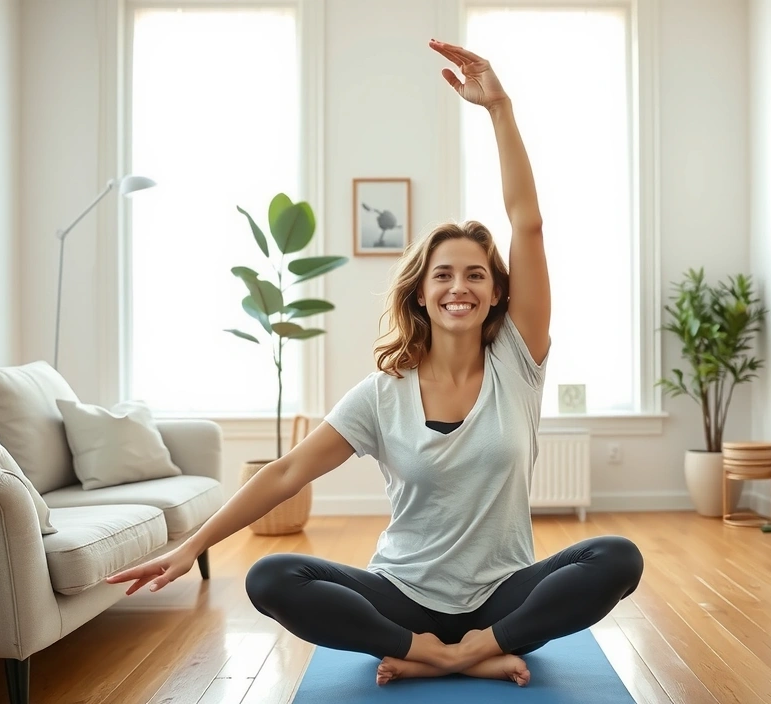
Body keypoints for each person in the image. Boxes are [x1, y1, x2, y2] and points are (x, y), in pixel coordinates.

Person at [107, 38, 643, 688]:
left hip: (503, 598)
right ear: (420, 292)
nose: (459, 287)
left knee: (618, 558)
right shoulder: (383, 392)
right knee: (271, 577)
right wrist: (192, 545)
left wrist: (499, 108)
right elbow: (287, 472)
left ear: (498, 292)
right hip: (403, 599)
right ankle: (437, 651)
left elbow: (526, 223)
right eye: (443, 274)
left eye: (476, 274)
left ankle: (470, 649)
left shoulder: (518, 361)